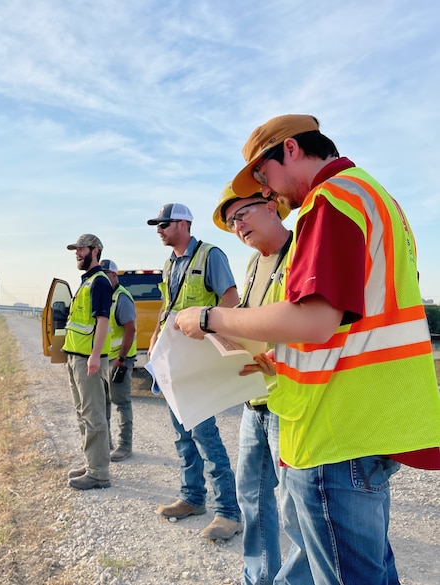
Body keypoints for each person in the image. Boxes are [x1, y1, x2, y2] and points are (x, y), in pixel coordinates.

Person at [174, 114, 440, 584]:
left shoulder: (331, 199)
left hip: (335, 426)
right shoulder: (381, 202)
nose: (268, 190)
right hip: (373, 419)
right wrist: (276, 358)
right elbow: (356, 322)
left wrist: (209, 318)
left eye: (263, 175)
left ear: (291, 150)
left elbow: (314, 321)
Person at [213, 183, 312, 585]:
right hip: (255, 401)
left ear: (272, 206)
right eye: (232, 222)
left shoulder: (302, 253)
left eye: (242, 215)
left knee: (296, 510)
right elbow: (250, 320)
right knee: (251, 497)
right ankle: (259, 576)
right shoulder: (255, 265)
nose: (237, 227)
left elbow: (309, 326)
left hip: (290, 402)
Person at [147, 203, 243, 541]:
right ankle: (192, 498)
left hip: (197, 360)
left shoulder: (209, 256)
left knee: (205, 435)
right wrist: (155, 338)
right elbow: (168, 305)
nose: (159, 229)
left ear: (184, 223)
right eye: (156, 224)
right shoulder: (169, 263)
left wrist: (208, 330)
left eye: (164, 223)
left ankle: (229, 512)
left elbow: (230, 300)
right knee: (182, 433)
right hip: (173, 359)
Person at [63, 234, 113, 490]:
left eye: (81, 249)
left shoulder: (100, 282)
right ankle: (91, 463)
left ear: (95, 251)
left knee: (94, 415)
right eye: (76, 250)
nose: (77, 253)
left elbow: (102, 321)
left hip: (88, 361)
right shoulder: (86, 283)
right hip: (76, 358)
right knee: (83, 414)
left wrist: (95, 356)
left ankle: (99, 473)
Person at [100, 259, 137, 462]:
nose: (104, 278)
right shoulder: (107, 296)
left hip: (119, 360)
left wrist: (121, 359)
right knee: (103, 402)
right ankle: (105, 443)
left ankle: (125, 445)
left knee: (121, 402)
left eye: (107, 274)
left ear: (115, 276)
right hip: (106, 358)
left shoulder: (121, 298)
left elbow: (130, 329)